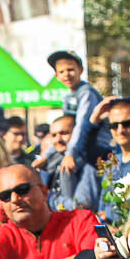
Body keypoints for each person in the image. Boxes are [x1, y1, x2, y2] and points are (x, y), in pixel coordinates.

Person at [48, 49, 102, 188]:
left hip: (94, 146)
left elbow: (82, 125)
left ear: (81, 70)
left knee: (66, 169)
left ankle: (70, 201)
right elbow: (65, 126)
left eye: (70, 69)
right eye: (61, 72)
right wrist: (46, 156)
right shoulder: (68, 97)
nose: (66, 74)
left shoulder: (87, 93)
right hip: (78, 145)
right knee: (47, 165)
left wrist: (70, 153)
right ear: (56, 76)